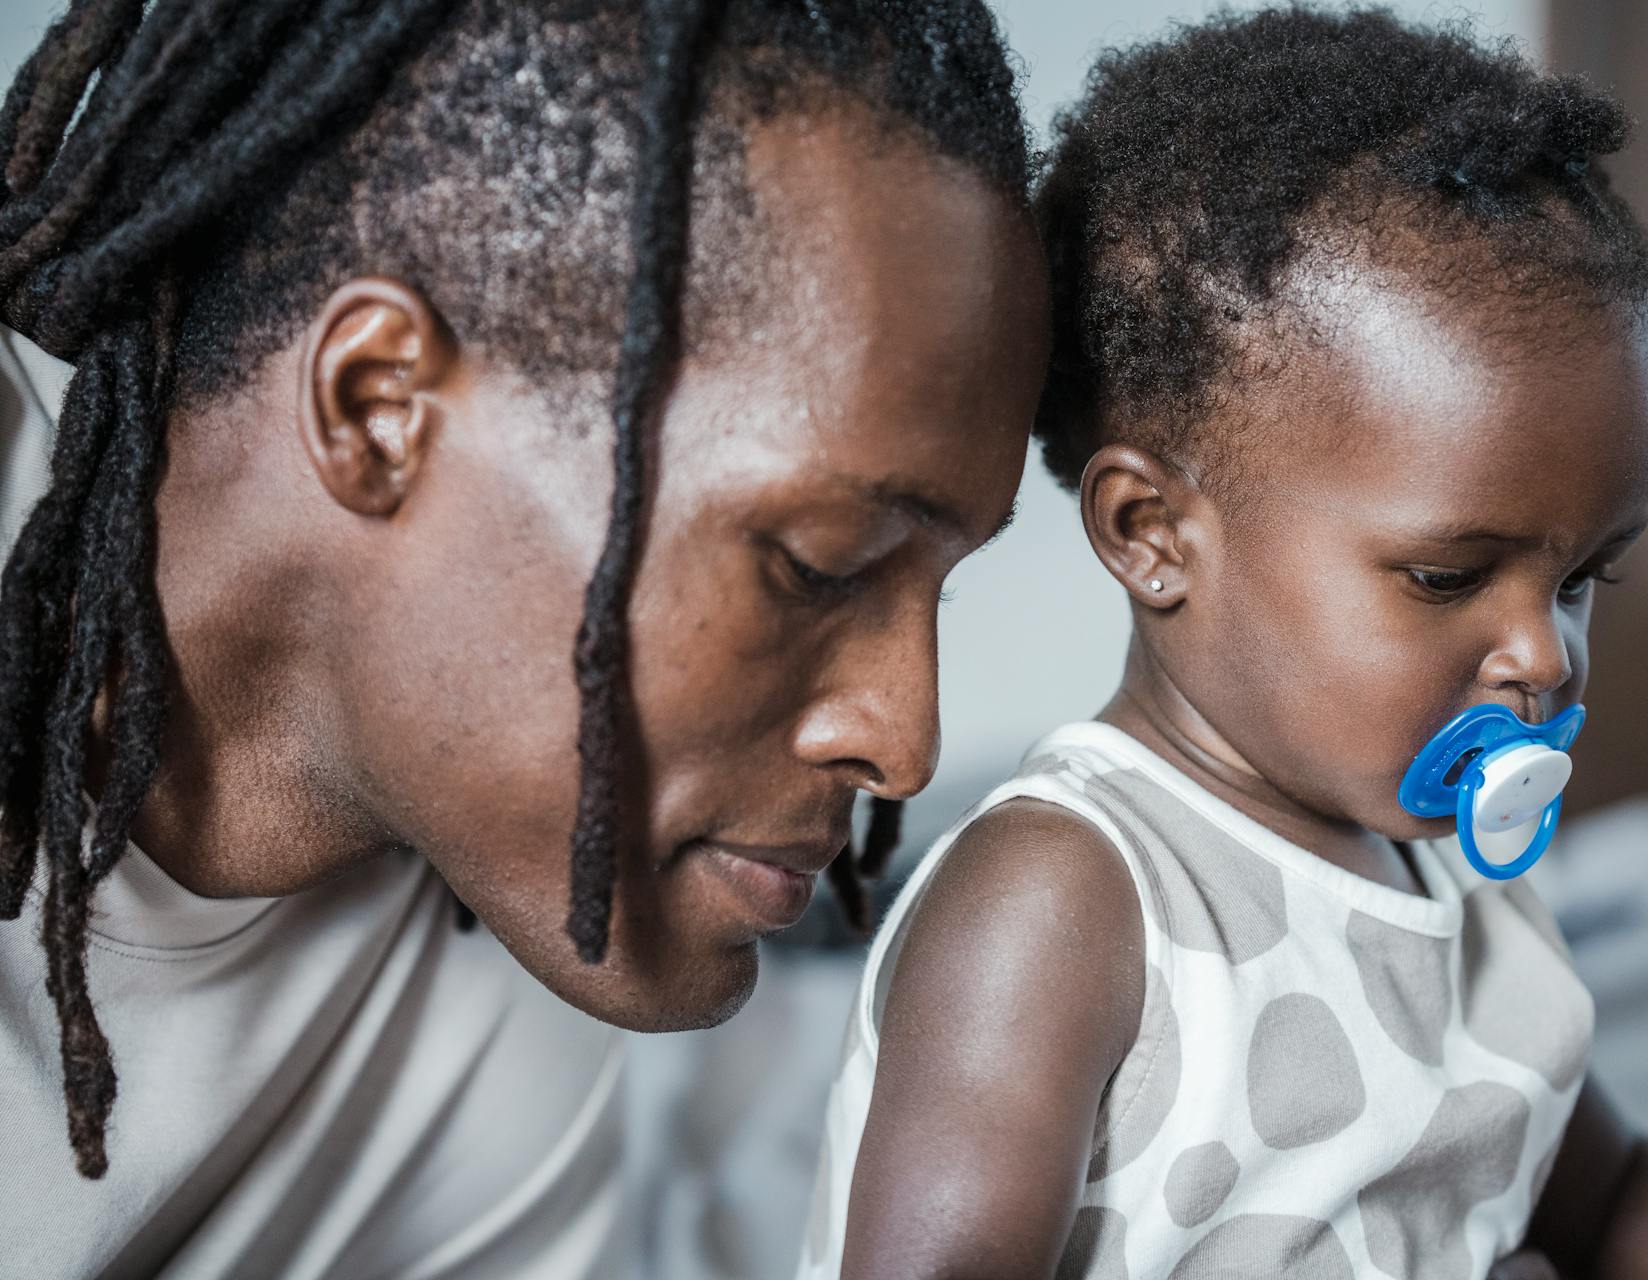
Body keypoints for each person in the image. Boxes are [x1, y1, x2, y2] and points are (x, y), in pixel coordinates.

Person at [803, 9, 1648, 1279]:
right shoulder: (1063, 900)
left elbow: (1620, 1204)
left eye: (1584, 578)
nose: (1542, 657)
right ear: (1154, 532)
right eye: (1448, 576)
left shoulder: (1451, 870)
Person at [0, 0, 1046, 1274]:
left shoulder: (525, 1027)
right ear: (378, 409)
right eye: (820, 563)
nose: (904, 738)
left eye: (940, 590)